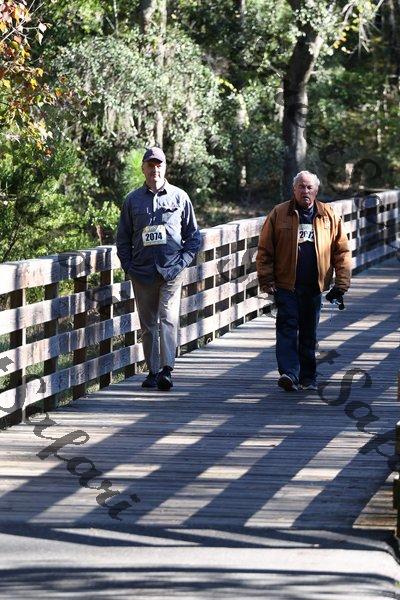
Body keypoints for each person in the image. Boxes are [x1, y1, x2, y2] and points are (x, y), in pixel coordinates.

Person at [256, 171, 351, 392]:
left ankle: (308, 377)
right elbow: (265, 249)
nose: (305, 191)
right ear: (294, 189)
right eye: (301, 186)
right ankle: (289, 373)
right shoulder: (279, 213)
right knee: (287, 328)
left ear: (316, 190)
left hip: (314, 285)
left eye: (309, 187)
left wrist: (341, 283)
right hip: (286, 284)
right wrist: (266, 279)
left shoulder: (328, 215)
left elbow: (342, 251)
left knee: (308, 332)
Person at [116, 147, 201, 391]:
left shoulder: (179, 197)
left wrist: (182, 262)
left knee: (168, 318)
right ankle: (153, 371)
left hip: (171, 270)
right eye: (150, 165)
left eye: (159, 165)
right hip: (142, 272)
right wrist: (128, 266)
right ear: (143, 168)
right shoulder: (132, 200)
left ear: (165, 168)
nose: (155, 169)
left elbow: (193, 236)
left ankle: (167, 369)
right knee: (148, 325)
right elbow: (123, 238)